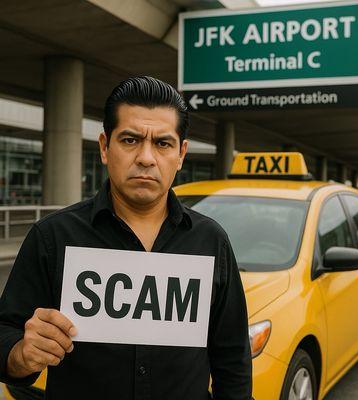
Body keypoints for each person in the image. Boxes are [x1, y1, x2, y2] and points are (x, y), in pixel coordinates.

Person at [0, 76, 252, 399]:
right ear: (105, 147)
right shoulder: (53, 237)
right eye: (130, 140)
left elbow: (233, 363)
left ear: (181, 154)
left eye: (162, 143)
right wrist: (22, 354)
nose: (146, 158)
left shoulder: (211, 243)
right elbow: (5, 335)